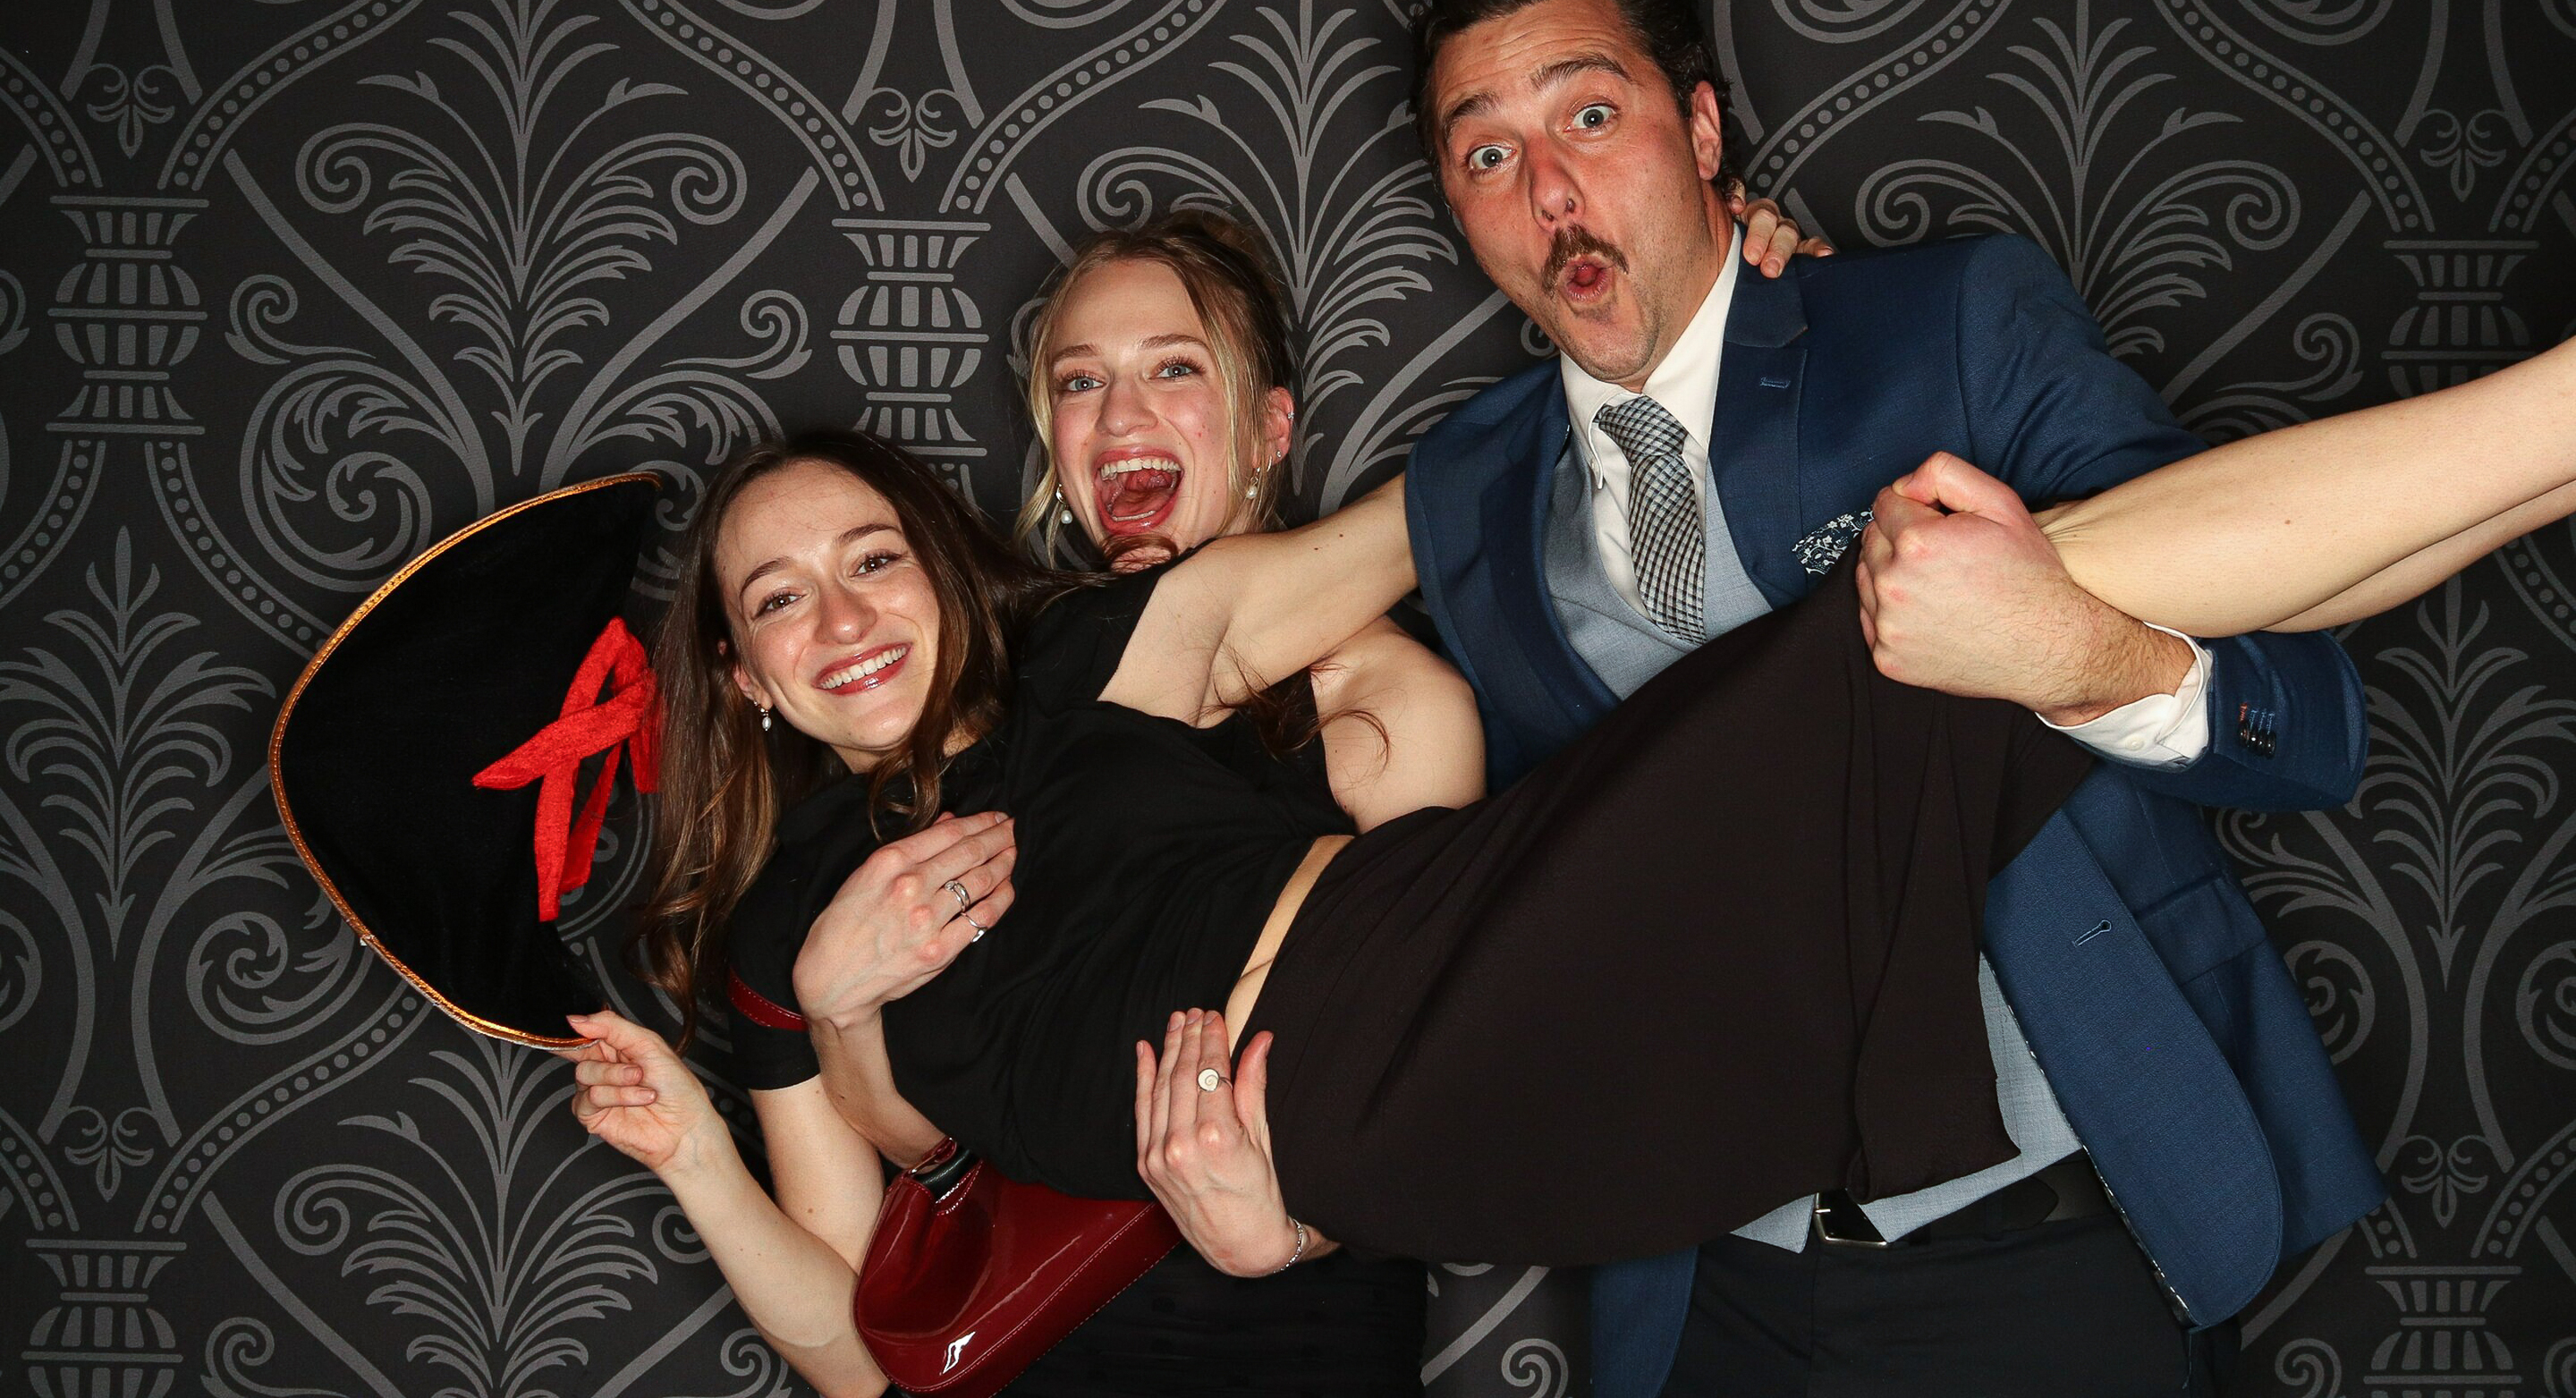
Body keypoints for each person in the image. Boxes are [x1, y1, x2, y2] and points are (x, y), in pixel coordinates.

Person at [569, 350, 2576, 1394]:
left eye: (870, 557)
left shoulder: (1104, 661)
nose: (841, 615)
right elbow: (863, 1321)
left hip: (1461, 918)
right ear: (738, 674)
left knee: (1964, 616)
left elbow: (1438, 507)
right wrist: (808, 1014)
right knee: (1938, 625)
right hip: (1395, 1098)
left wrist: (1685, 337)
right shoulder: (777, 947)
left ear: (940, 568)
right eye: (779, 598)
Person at [1397, 0, 2385, 1395]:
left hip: (2047, 1257)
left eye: (1592, 115)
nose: (1550, 190)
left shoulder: (1946, 328)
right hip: (1704, 1290)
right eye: (1489, 155)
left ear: (1704, 129)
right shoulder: (1462, 497)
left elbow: (2305, 715)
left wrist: (2077, 652)